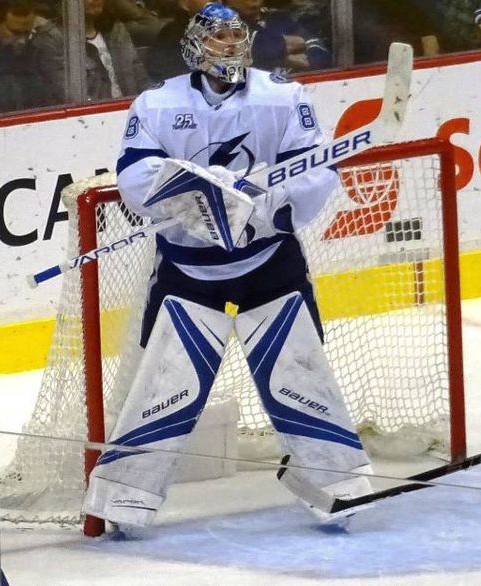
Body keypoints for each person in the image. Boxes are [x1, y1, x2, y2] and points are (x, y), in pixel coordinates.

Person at [81, 2, 374, 529]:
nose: (227, 47)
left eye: (234, 37)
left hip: (268, 264)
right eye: (216, 39)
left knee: (300, 376)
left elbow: (314, 171)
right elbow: (135, 176)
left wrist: (261, 212)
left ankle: (336, 487)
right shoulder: (157, 104)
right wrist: (199, 201)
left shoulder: (283, 97)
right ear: (195, 44)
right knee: (167, 386)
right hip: (189, 272)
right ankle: (126, 497)